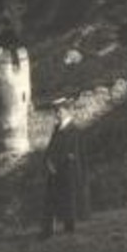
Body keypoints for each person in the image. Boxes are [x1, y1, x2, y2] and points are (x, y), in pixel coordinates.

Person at [40, 100, 88, 239]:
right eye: (56, 111)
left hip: (67, 171)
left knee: (68, 200)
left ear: (67, 111)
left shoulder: (74, 130)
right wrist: (48, 161)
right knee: (50, 200)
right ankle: (48, 231)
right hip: (54, 170)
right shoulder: (57, 129)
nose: (57, 114)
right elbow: (51, 148)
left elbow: (72, 152)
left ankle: (69, 228)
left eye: (59, 111)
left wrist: (58, 164)